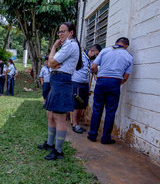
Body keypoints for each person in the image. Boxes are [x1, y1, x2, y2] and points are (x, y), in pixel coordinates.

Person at [38, 22, 83, 160]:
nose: (60, 34)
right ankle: (51, 144)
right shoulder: (66, 46)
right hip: (56, 81)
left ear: (71, 33)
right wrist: (54, 61)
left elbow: (51, 63)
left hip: (62, 82)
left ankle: (58, 151)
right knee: (50, 115)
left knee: (59, 118)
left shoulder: (70, 45)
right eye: (59, 32)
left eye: (63, 31)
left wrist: (53, 47)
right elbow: (52, 63)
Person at [88, 37, 133, 144]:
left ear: (116, 43)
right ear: (126, 46)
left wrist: (98, 75)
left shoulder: (105, 50)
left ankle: (92, 135)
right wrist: (117, 83)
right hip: (115, 83)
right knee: (110, 112)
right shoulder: (129, 56)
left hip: (101, 81)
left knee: (97, 109)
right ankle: (105, 138)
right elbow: (126, 77)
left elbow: (93, 66)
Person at [71, 44, 102, 133]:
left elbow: (94, 72)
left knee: (82, 105)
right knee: (77, 105)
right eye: (96, 54)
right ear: (92, 50)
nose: (96, 56)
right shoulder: (80, 56)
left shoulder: (91, 61)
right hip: (77, 83)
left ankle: (78, 124)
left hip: (85, 85)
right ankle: (75, 125)